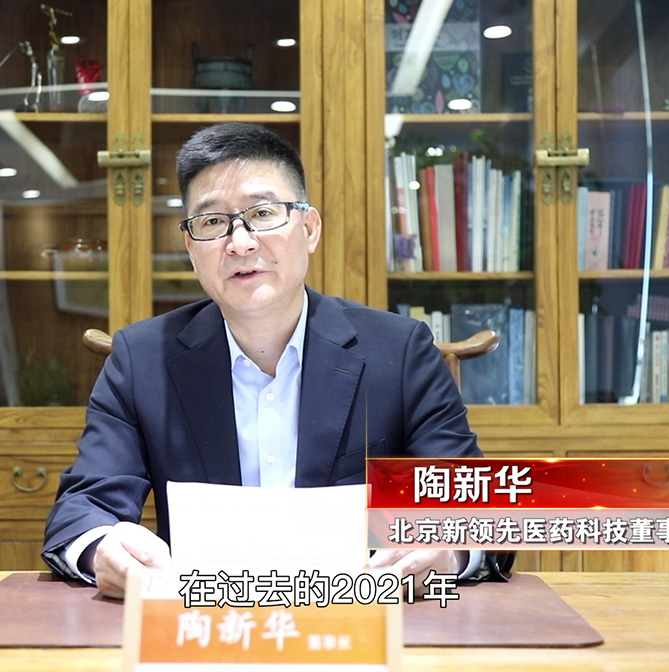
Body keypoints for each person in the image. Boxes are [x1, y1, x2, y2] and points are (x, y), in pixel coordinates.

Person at [42, 122, 484, 599]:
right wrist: (102, 547)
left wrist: (449, 551)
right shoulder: (142, 359)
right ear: (191, 248)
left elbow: (481, 510)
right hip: (204, 622)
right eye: (212, 223)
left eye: (263, 213)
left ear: (309, 229)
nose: (240, 242)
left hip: (357, 620)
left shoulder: (399, 351)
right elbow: (82, 509)